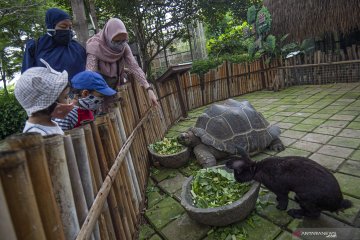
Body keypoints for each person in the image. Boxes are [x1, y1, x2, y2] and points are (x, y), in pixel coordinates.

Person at [86, 18, 158, 106]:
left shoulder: (124, 47)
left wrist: (148, 89)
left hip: (117, 86)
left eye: (123, 40)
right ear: (108, 36)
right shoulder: (95, 46)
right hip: (98, 89)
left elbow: (134, 66)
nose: (120, 44)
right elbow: (90, 73)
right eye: (116, 41)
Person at [21, 8, 86, 80]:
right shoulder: (35, 47)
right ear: (51, 26)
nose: (67, 30)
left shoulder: (77, 48)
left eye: (70, 27)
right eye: (63, 27)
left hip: (77, 90)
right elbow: (26, 77)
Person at [15, 59, 73, 135]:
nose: (69, 100)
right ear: (48, 103)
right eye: (65, 97)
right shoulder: (36, 134)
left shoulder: (50, 123)